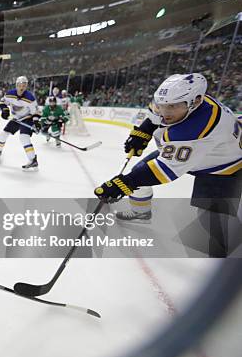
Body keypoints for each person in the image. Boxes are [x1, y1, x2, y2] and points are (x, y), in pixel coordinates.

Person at [94, 73, 241, 256]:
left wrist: (125, 184)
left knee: (212, 222)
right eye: (162, 105)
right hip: (195, 151)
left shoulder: (197, 127)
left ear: (195, 101)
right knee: (138, 173)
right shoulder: (180, 103)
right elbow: (154, 118)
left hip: (223, 165)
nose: (165, 112)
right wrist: (143, 133)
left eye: (171, 106)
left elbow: (165, 170)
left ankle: (224, 265)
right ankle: (141, 213)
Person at [0, 76, 40, 169]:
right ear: (16, 85)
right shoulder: (10, 94)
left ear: (26, 86)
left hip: (27, 118)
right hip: (16, 118)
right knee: (3, 134)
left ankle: (33, 160)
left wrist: (37, 123)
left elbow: (36, 112)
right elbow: (2, 102)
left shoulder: (30, 98)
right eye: (20, 85)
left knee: (24, 137)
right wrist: (5, 110)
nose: (21, 87)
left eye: (24, 85)